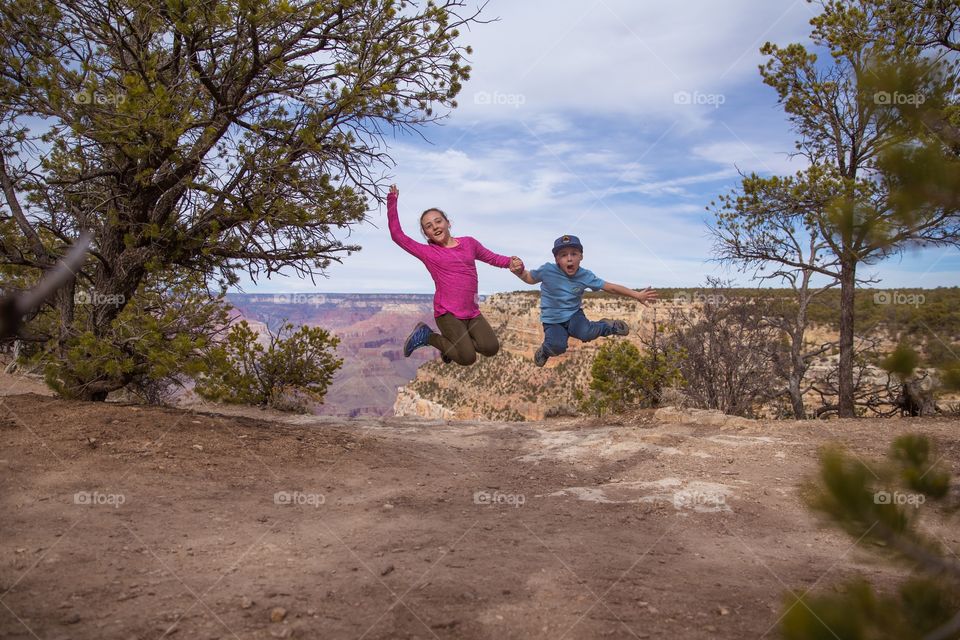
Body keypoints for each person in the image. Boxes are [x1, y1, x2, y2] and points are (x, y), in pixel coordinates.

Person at [387, 184, 522, 365]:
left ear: (448, 222)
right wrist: (392, 201)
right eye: (428, 226)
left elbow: (491, 257)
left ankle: (450, 347)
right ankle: (428, 336)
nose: (435, 227)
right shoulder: (428, 252)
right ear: (425, 233)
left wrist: (509, 262)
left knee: (491, 348)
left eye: (438, 221)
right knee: (467, 358)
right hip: (447, 314)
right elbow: (397, 235)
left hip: (472, 313)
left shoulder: (469, 243)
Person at [511, 234, 657, 367]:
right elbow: (530, 278)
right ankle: (545, 351)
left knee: (586, 333)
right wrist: (520, 273)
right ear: (556, 259)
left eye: (574, 254)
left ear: (581, 256)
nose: (569, 258)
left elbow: (610, 287)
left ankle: (608, 326)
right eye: (563, 255)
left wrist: (637, 295)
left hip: (574, 315)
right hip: (552, 320)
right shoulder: (547, 270)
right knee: (556, 346)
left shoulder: (585, 275)